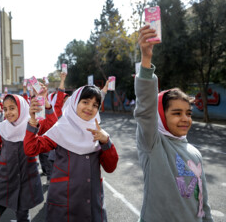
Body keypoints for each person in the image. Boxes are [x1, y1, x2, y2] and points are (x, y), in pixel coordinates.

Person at [134, 25, 213, 222]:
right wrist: (146, 59)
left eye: (188, 113)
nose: (185, 118)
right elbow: (145, 109)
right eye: (176, 113)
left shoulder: (195, 153)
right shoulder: (152, 145)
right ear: (161, 115)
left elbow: (203, 202)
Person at [24, 85, 119, 221]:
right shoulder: (61, 129)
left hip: (92, 204)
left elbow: (110, 167)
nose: (89, 108)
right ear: (75, 102)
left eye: (95, 105)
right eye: (85, 102)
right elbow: (31, 149)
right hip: (63, 205)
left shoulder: (99, 133)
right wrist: (32, 122)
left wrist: (106, 142)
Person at [0, 84, 58, 221]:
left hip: (26, 178)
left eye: (12, 108)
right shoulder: (2, 127)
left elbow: (51, 124)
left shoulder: (32, 124)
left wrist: (46, 102)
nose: (8, 112)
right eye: (5, 109)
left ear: (22, 107)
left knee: (23, 215)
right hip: (5, 177)